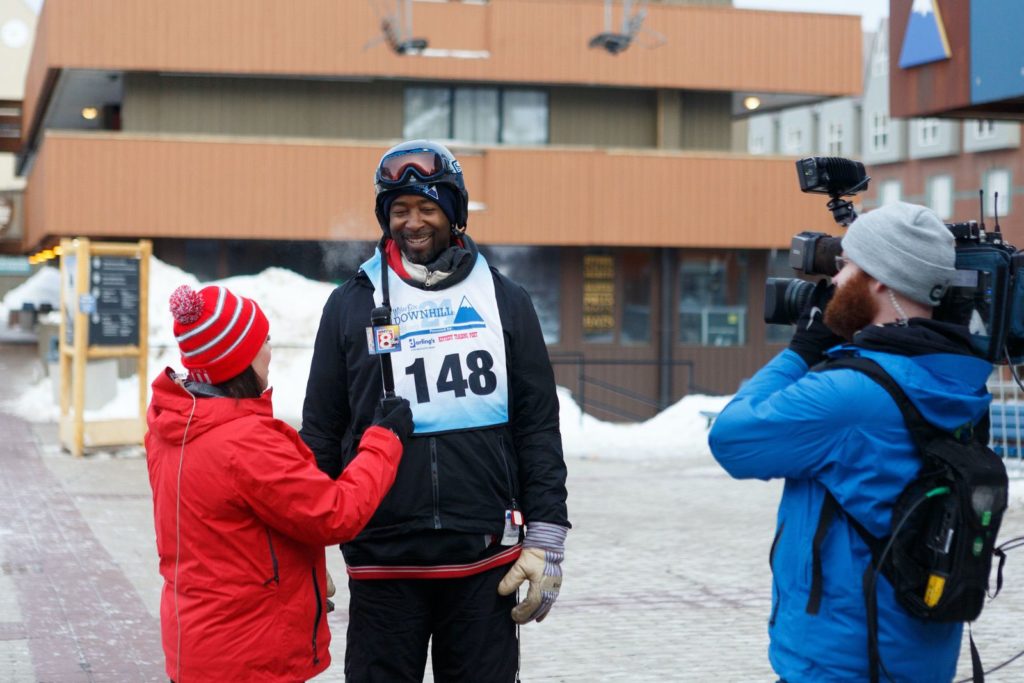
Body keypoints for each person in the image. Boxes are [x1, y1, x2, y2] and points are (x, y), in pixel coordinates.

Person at [300, 139, 570, 682]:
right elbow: (322, 431)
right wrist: (305, 548)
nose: (413, 223)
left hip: (483, 560)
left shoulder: (504, 298)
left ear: (454, 212)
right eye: (399, 210)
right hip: (381, 562)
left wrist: (546, 539)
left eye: (427, 208)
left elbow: (537, 424)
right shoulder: (351, 303)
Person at [708, 202, 992, 682]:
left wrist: (804, 349)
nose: (835, 282)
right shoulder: (959, 379)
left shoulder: (852, 395)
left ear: (880, 279)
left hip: (841, 661)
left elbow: (732, 438)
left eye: (846, 267)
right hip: (919, 656)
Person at [145, 283, 413, 682]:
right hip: (247, 657)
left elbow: (238, 533)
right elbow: (335, 513)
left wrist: (300, 570)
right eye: (264, 341)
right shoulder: (244, 442)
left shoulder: (173, 425)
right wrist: (383, 441)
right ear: (239, 359)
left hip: (197, 646)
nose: (270, 352)